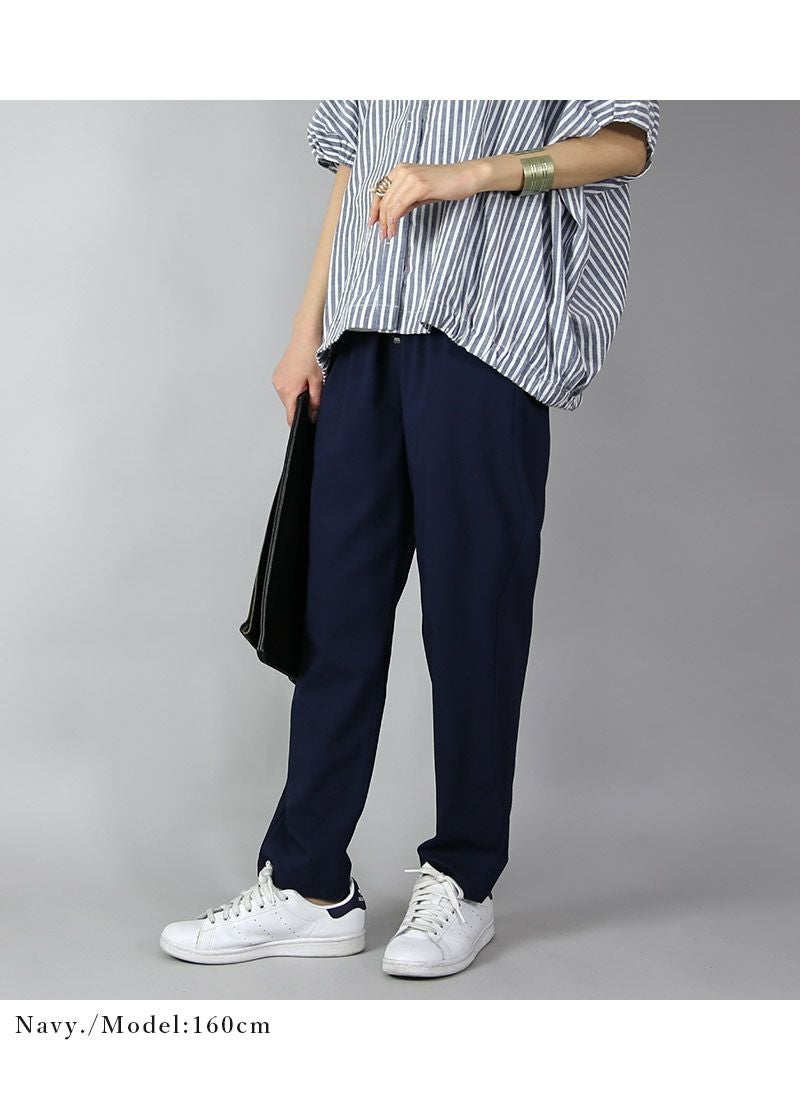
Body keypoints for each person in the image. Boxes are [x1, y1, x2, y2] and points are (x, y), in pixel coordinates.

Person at [160, 99, 660, 978]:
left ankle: (464, 877)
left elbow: (624, 147)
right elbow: (353, 173)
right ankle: (309, 884)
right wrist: (304, 333)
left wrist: (470, 176)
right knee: (334, 620)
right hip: (363, 339)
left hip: (487, 343)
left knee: (473, 624)